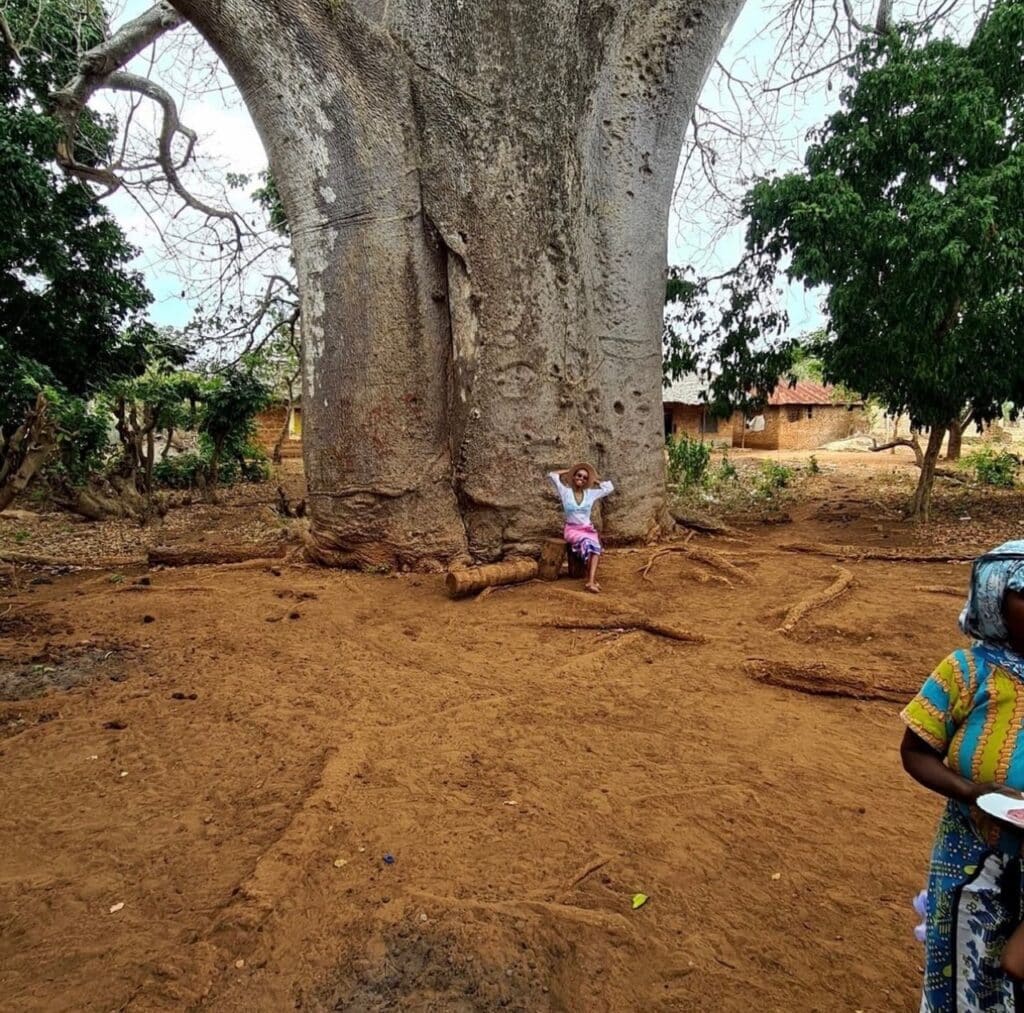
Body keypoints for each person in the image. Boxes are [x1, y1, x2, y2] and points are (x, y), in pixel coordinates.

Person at [901, 540, 1024, 1010]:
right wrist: (973, 791)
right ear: (993, 601)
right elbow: (914, 752)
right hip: (969, 855)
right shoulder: (965, 672)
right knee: (966, 969)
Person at [547, 463, 614, 593]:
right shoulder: (565, 491)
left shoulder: (590, 494)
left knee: (595, 549)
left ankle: (591, 581)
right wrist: (570, 470)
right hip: (572, 530)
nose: (581, 479)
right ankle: (591, 581)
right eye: (579, 475)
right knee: (589, 545)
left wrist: (594, 480)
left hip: (587, 529)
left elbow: (609, 488)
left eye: (584, 477)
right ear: (573, 477)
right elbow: (552, 475)